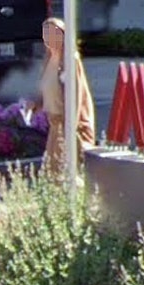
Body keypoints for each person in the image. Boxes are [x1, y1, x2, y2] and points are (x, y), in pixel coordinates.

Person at [39, 18, 95, 180]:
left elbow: (76, 94)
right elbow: (47, 86)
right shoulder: (49, 59)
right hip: (54, 124)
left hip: (68, 124)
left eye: (54, 34)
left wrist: (71, 126)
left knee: (67, 169)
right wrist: (35, 103)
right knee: (52, 170)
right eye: (46, 34)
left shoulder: (71, 60)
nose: (50, 38)